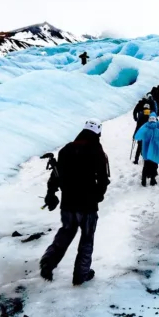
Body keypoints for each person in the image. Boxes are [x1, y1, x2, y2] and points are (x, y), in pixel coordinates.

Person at [40, 119, 110, 285]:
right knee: (86, 240)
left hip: (68, 203)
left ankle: (48, 261)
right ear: (98, 133)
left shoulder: (66, 150)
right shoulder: (98, 152)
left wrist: (51, 193)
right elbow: (103, 179)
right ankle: (80, 275)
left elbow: (56, 176)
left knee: (65, 233)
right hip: (88, 206)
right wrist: (99, 196)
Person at [134, 114, 159, 187]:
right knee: (154, 165)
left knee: (146, 165)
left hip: (146, 151)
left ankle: (144, 180)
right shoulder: (158, 130)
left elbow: (140, 139)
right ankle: (152, 179)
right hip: (155, 151)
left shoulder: (145, 129)